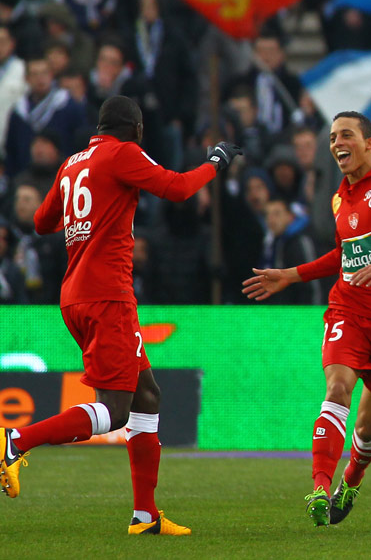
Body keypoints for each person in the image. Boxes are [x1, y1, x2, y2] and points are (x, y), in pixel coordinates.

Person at [0, 95, 241, 534]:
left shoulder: (73, 162)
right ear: (137, 130)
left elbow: (40, 221)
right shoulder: (122, 153)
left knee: (147, 395)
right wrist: (216, 162)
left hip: (74, 295)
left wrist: (85, 218)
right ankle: (14, 440)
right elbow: (179, 188)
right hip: (107, 295)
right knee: (114, 410)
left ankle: (145, 516)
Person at [241, 111, 371, 526]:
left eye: (345, 135)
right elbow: (344, 254)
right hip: (349, 308)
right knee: (336, 389)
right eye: (332, 138)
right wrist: (292, 275)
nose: (336, 144)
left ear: (370, 143)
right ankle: (318, 486)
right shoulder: (338, 198)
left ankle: (352, 477)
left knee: (366, 430)